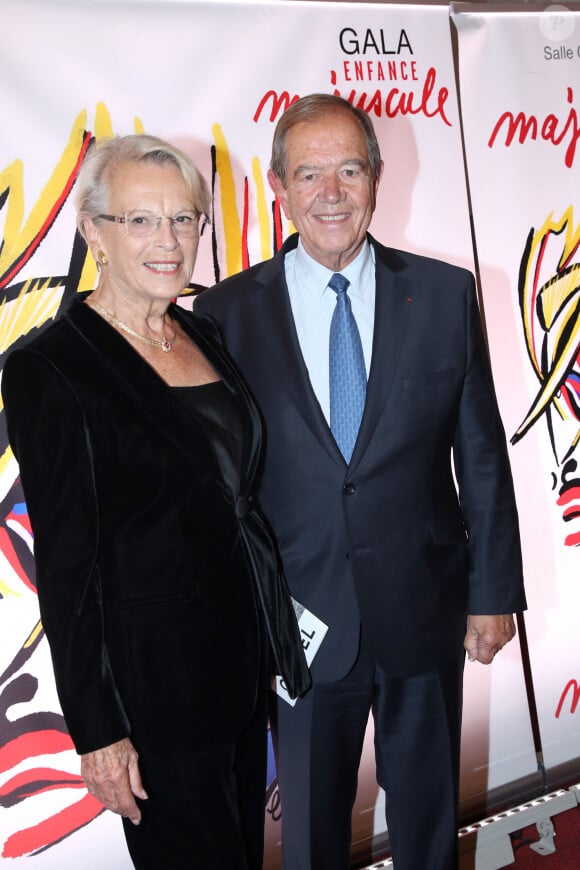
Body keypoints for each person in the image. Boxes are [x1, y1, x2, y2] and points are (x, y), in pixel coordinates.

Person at [195, 94, 527, 870]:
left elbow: (480, 452)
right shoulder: (224, 313)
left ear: (377, 176)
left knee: (427, 825)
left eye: (349, 168)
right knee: (309, 836)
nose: (331, 191)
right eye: (309, 173)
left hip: (424, 608)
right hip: (298, 628)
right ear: (279, 186)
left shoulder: (444, 294)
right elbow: (218, 489)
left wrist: (492, 592)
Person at [2, 133, 309, 870]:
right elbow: (68, 568)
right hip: (152, 699)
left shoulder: (198, 331)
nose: (168, 242)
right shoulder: (50, 367)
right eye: (140, 220)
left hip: (237, 669)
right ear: (92, 232)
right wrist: (99, 730)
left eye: (184, 219)